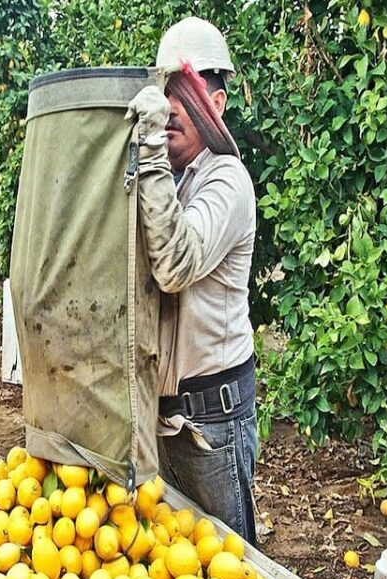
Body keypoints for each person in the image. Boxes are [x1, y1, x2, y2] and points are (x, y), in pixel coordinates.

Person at [126, 17, 259, 544]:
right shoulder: (173, 182)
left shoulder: (228, 181)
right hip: (166, 421)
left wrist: (152, 153)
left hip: (212, 425)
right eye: (163, 93)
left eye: (183, 93)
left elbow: (175, 265)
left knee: (232, 568)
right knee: (182, 573)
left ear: (217, 104)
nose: (170, 109)